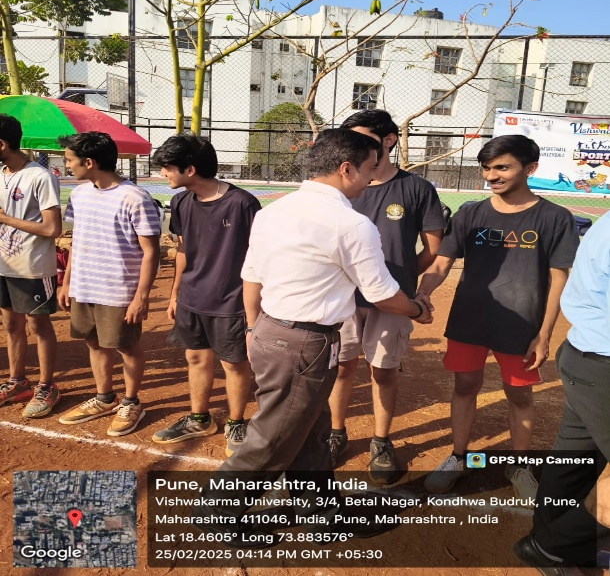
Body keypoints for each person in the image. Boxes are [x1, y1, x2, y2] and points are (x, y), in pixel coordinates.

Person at [197, 128, 432, 547]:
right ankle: (217, 514)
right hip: (305, 343)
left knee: (311, 430)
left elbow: (251, 275)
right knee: (272, 438)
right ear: (346, 169)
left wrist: (252, 327)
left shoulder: (274, 211)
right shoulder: (352, 224)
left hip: (272, 330)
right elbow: (381, 293)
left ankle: (320, 510)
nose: (371, 179)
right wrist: (417, 309)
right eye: (369, 169)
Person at [417, 134, 579, 499]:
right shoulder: (470, 214)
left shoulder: (555, 218)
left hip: (520, 326)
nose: (491, 175)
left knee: (519, 395)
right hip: (469, 321)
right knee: (464, 386)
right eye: (487, 168)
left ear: (530, 168)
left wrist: (544, 333)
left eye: (502, 167)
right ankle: (459, 457)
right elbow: (442, 263)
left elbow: (558, 278)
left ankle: (518, 465)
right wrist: (424, 291)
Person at [328, 109, 445, 484]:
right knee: (341, 366)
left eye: (362, 136)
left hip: (392, 299)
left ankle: (380, 441)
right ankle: (336, 433)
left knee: (383, 370)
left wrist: (399, 278)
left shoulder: (417, 189)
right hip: (342, 297)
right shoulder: (340, 188)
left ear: (389, 140)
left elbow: (432, 249)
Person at [151, 134, 260, 456]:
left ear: (190, 169)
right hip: (192, 299)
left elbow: (260, 257)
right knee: (195, 358)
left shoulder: (242, 204)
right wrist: (175, 293)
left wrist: (253, 309)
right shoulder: (181, 202)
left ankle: (236, 422)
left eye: (167, 167)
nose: (163, 174)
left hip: (231, 302)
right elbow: (183, 250)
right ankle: (200, 418)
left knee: (234, 364)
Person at [514, 210, 610, 570]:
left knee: (574, 459)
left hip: (586, 356)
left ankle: (552, 544)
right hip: (603, 363)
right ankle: (551, 545)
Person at [57, 132, 160, 436]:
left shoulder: (134, 198)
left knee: (126, 346)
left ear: (89, 162)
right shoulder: (79, 195)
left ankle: (131, 402)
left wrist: (140, 297)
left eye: (69, 160)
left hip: (118, 290)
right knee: (93, 342)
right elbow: (77, 241)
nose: (67, 166)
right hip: (84, 287)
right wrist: (67, 283)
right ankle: (105, 398)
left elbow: (151, 251)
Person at [0, 114, 62, 418]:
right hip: (4, 265)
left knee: (38, 326)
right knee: (11, 325)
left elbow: (53, 229)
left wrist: (5, 219)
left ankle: (47, 386)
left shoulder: (40, 176)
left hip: (33, 266)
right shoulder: (1, 174)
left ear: (2, 144)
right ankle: (17, 382)